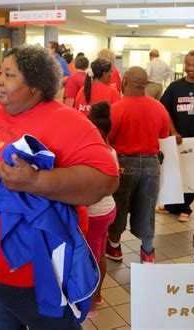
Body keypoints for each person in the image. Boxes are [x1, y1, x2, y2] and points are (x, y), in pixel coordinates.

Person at [0, 45, 118, 329]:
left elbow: (106, 179)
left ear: (35, 87)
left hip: (30, 277)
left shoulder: (67, 122)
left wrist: (37, 182)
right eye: (1, 73)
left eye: (10, 75)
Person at [106, 67, 170, 264]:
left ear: (124, 81)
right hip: (151, 165)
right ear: (146, 83)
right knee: (147, 208)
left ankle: (115, 247)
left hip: (124, 164)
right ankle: (148, 252)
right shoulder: (159, 108)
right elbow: (163, 136)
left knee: (119, 207)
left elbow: (108, 140)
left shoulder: (117, 109)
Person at [84, 101, 118, 318]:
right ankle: (96, 297)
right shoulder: (111, 150)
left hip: (95, 214)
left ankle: (92, 305)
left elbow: (90, 191)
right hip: (107, 210)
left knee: (91, 258)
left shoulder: (97, 154)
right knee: (99, 254)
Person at [157, 50, 194, 223]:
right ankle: (172, 205)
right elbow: (164, 111)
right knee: (175, 173)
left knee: (192, 175)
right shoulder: (175, 87)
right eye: (188, 64)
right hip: (177, 139)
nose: (190, 68)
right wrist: (173, 131)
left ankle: (185, 208)